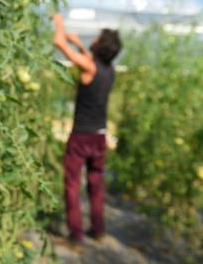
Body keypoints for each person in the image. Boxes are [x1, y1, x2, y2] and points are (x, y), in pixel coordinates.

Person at [52, 13, 122, 248]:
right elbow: (89, 60)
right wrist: (79, 43)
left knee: (72, 184)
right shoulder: (109, 70)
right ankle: (99, 230)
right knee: (96, 184)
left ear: (100, 44)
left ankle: (75, 236)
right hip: (100, 136)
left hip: (81, 136)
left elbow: (59, 43)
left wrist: (59, 23)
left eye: (98, 36)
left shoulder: (89, 66)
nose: (95, 37)